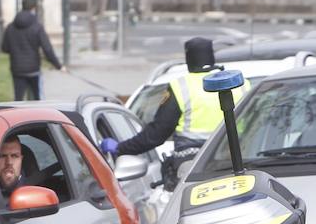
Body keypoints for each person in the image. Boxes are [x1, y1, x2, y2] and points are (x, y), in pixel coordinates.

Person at [100, 36, 251, 163]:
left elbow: (157, 133)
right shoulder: (240, 83)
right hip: (237, 158)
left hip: (193, 164)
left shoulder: (181, 86)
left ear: (188, 58)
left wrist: (120, 148)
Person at [1, 2, 63, 101]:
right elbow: (47, 49)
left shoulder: (10, 27)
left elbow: (4, 48)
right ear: (33, 9)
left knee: (18, 99)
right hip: (33, 69)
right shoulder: (37, 27)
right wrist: (58, 65)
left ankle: (17, 116)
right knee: (38, 98)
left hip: (17, 69)